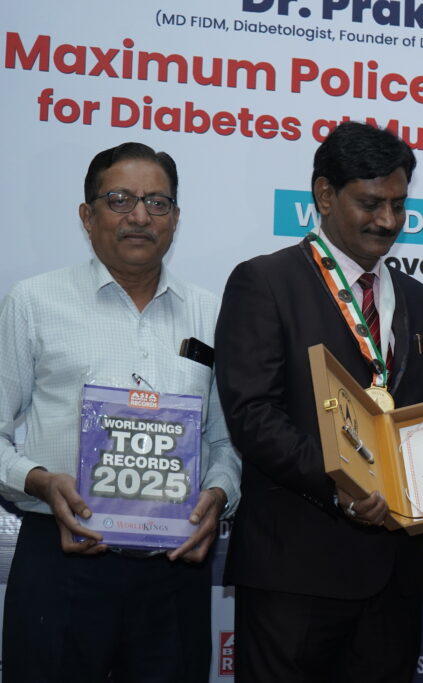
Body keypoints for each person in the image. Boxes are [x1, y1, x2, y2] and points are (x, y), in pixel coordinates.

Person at [215, 121, 423, 682]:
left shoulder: (421, 300)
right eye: (371, 203)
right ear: (325, 194)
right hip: (296, 571)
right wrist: (343, 486)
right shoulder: (265, 281)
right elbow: (253, 414)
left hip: (395, 576)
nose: (388, 221)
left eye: (399, 204)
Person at [0, 142, 241, 682]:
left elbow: (226, 443)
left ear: (176, 218)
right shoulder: (34, 302)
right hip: (60, 561)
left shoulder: (212, 312)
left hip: (174, 572)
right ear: (87, 215)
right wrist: (37, 480)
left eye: (158, 202)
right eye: (120, 199)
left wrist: (220, 494)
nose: (140, 216)